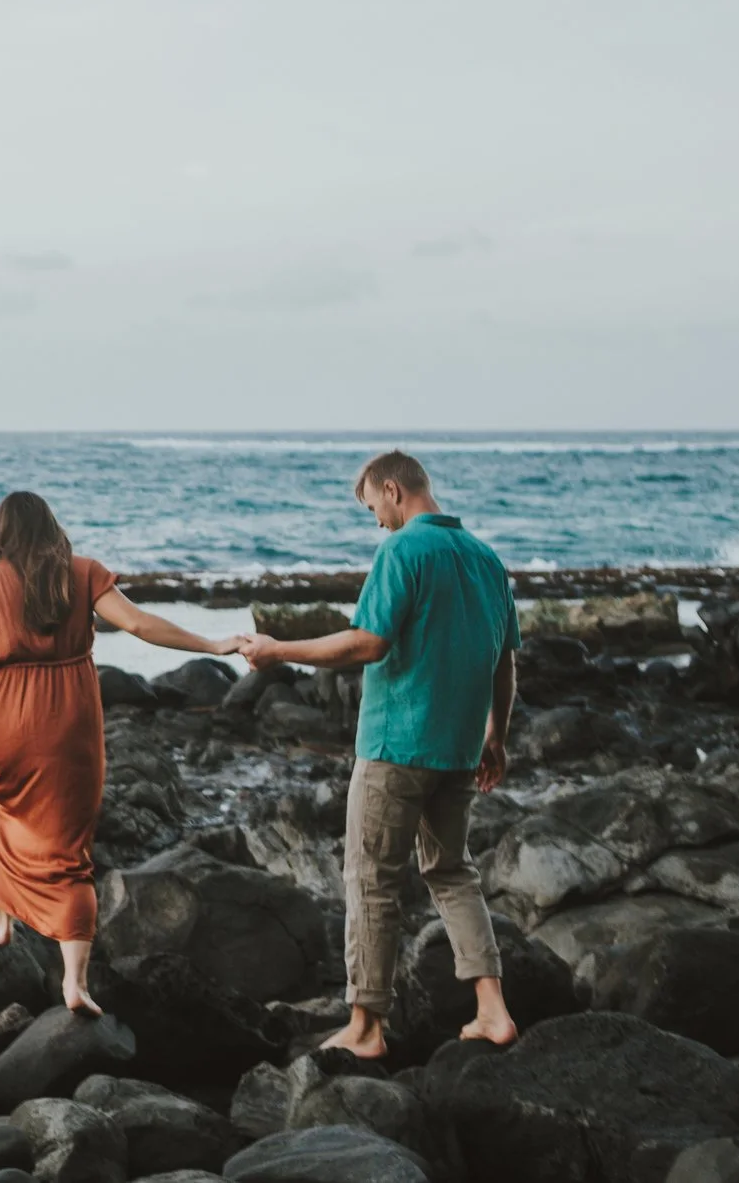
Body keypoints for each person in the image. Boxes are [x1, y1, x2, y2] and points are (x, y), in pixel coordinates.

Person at [240, 449, 520, 1057]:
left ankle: (366, 1028)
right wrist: (495, 737)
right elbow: (504, 660)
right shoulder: (487, 560)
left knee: (371, 880)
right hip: (459, 749)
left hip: (396, 745)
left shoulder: (402, 551)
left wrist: (278, 650)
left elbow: (367, 643)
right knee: (453, 873)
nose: (376, 523)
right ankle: (492, 1010)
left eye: (373, 508)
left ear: (393, 489)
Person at [0, 490, 248, 1015]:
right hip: (72, 716)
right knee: (68, 841)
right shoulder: (79, 573)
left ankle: (0, 917)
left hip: (11, 715)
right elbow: (142, 625)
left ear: (0, 534)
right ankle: (74, 983)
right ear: (50, 528)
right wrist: (215, 646)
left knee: (8, 809)